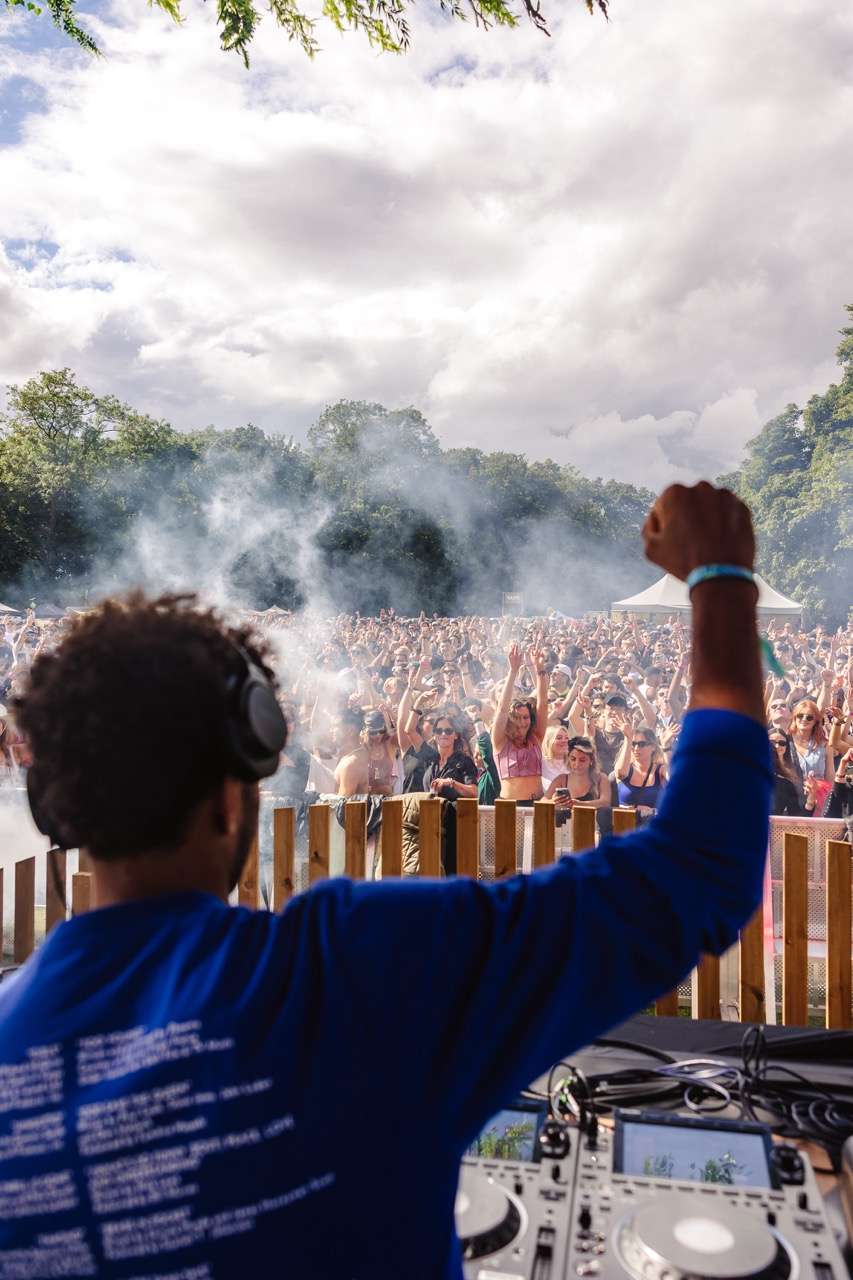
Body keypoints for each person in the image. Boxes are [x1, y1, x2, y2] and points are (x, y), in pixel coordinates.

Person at [0, 483, 772, 1279]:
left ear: (56, 800)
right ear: (237, 791)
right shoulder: (355, 966)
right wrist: (717, 572)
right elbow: (700, 864)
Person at [491, 642, 548, 802]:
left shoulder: (536, 738)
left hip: (538, 804)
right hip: (509, 807)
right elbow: (502, 709)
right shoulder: (500, 741)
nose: (522, 722)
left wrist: (540, 670)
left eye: (525, 717)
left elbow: (543, 704)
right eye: (516, 718)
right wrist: (513, 671)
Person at [613, 726, 668, 819]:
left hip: (651, 825)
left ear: (653, 747)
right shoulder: (625, 768)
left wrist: (667, 748)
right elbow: (620, 773)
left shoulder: (660, 769)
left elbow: (675, 780)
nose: (636, 748)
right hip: (624, 823)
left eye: (641, 744)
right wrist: (628, 739)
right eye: (633, 744)